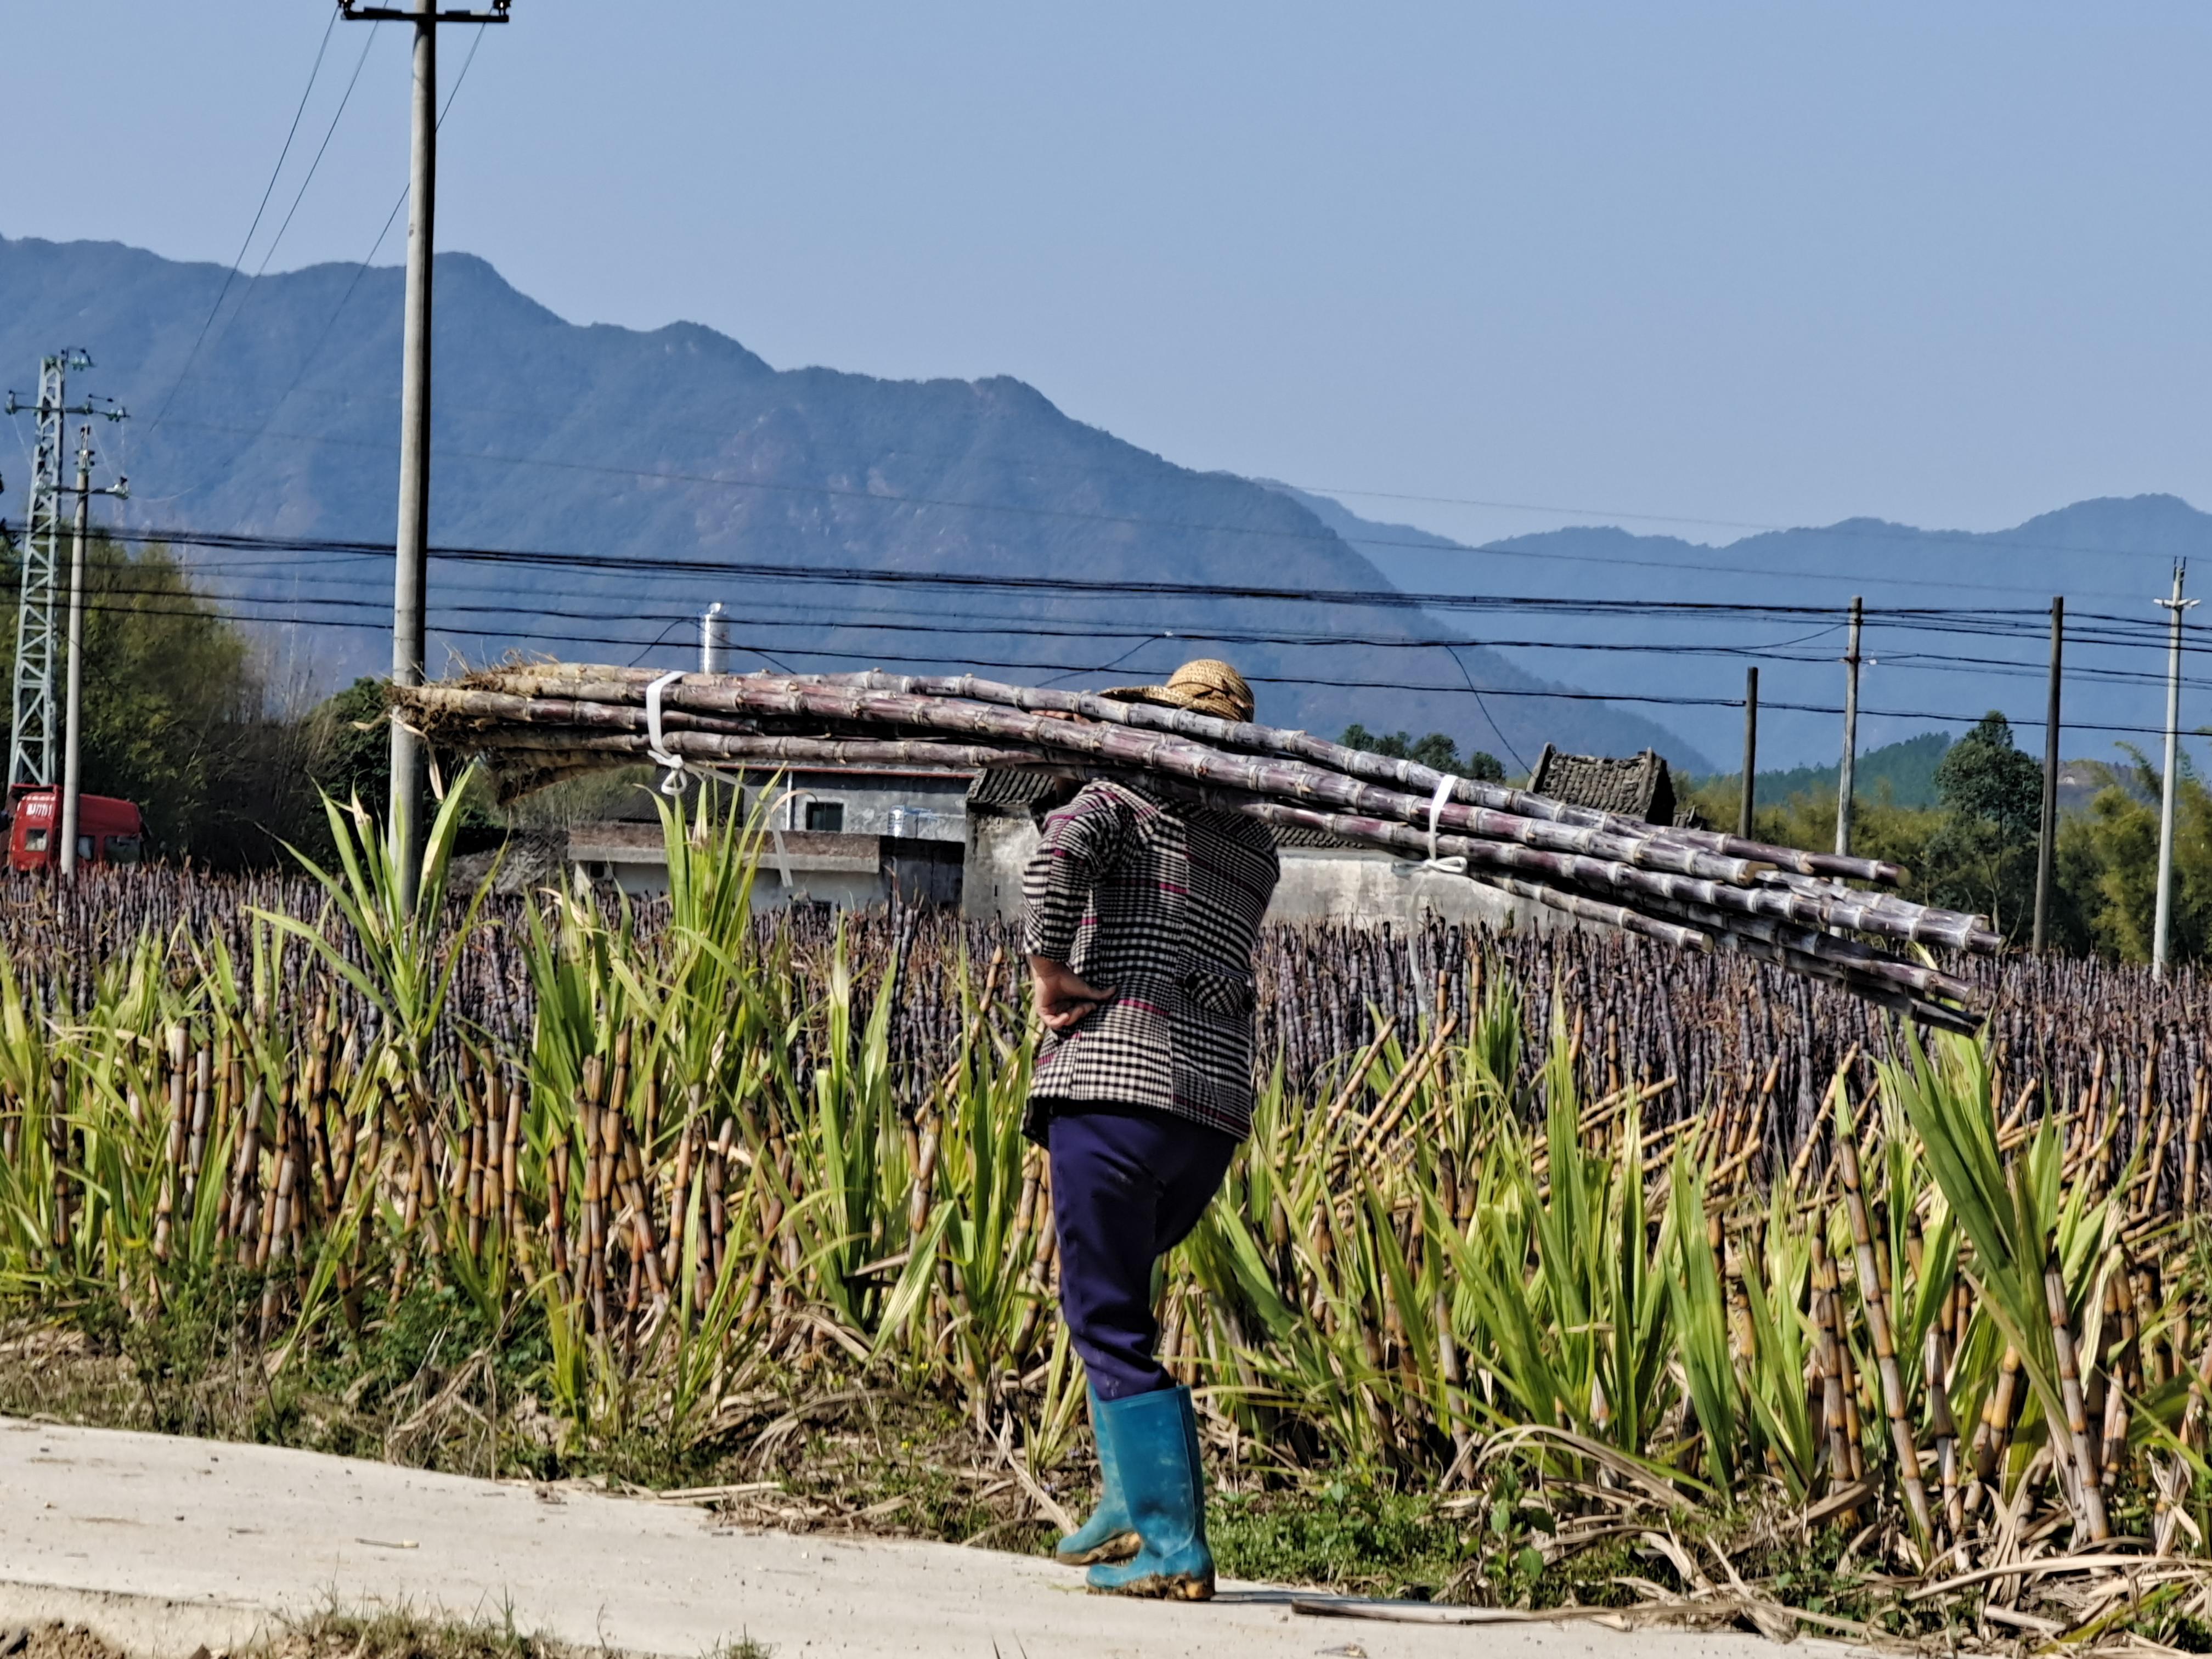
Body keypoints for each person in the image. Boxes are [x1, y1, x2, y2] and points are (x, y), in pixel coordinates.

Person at [1019, 658, 1280, 1601]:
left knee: (1106, 1313)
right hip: (1208, 1116)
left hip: (1118, 1086)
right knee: (1115, 1298)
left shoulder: (1121, 803)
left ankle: (1173, 1542)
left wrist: (1049, 970)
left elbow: (1054, 857)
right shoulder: (1256, 848)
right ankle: (1129, 1500)